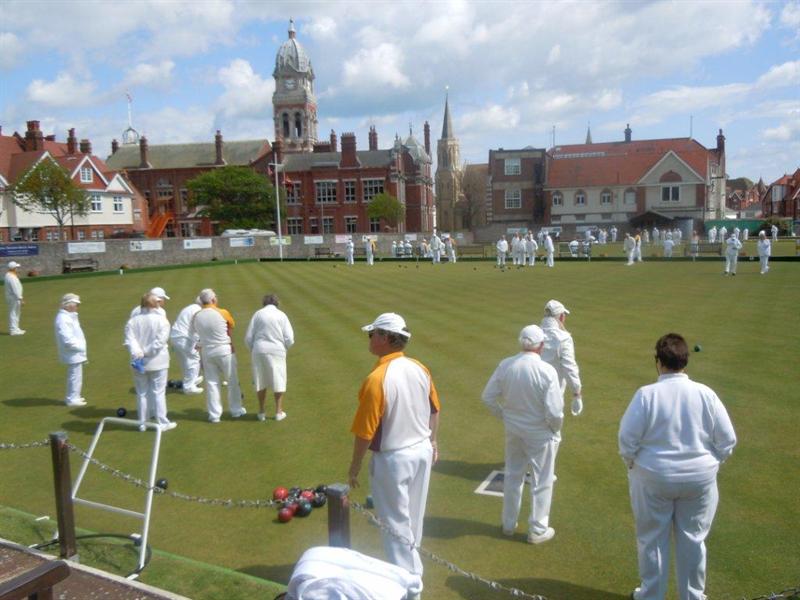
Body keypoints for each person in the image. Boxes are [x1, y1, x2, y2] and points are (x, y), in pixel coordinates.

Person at [619, 333, 736, 600]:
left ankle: (651, 595)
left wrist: (633, 465)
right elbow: (727, 439)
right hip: (699, 479)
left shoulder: (646, 395)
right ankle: (693, 596)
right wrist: (711, 463)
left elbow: (626, 440)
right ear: (685, 361)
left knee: (652, 538)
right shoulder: (706, 393)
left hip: (653, 477)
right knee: (693, 539)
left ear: (658, 361)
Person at [348, 312, 440, 584]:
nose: (369, 338)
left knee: (395, 525)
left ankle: (411, 584)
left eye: (372, 334)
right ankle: (411, 571)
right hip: (422, 451)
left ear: (386, 338)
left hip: (394, 458)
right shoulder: (419, 367)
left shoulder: (377, 379)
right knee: (413, 519)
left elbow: (365, 432)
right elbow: (435, 410)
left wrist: (354, 467)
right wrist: (433, 441)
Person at [482, 324, 562, 544]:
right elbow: (555, 412)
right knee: (542, 480)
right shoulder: (547, 371)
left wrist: (504, 416)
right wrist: (554, 429)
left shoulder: (506, 364)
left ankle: (508, 524)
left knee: (513, 475)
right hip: (539, 432)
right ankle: (537, 530)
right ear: (541, 346)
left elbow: (488, 397)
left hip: (514, 430)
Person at [190, 288, 245, 423]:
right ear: (213, 299)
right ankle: (236, 410)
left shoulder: (196, 316)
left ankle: (214, 415)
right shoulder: (222, 312)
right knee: (232, 380)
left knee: (211, 383)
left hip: (207, 351)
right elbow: (231, 326)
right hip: (224, 350)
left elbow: (196, 331)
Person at [124, 293, 176, 431]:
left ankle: (143, 423)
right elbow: (159, 343)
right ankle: (162, 423)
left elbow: (130, 341)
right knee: (158, 392)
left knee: (142, 393)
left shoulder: (132, 321)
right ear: (155, 304)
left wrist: (138, 352)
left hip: (138, 361)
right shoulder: (162, 321)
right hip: (157, 361)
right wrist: (145, 352)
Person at [244, 293, 294, 422]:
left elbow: (248, 338)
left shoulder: (258, 314)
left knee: (260, 379)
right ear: (277, 303)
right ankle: (278, 412)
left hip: (259, 350)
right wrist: (284, 348)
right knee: (279, 379)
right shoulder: (282, 315)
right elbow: (289, 338)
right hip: (277, 350)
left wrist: (254, 349)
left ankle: (261, 412)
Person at [540, 300, 583, 416]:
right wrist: (576, 394)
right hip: (552, 398)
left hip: (529, 394)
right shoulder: (564, 339)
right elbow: (570, 368)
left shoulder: (534, 333)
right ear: (561, 317)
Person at [54, 293, 87, 407]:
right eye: (76, 304)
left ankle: (75, 396)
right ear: (68, 305)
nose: (77, 307)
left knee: (77, 375)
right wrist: (80, 347)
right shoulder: (63, 319)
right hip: (72, 352)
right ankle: (72, 398)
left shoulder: (70, 316)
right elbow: (67, 339)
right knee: (74, 375)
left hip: (75, 352)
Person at [169, 298, 204, 394]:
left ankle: (191, 379)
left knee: (185, 360)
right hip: (184, 338)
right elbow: (196, 327)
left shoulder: (190, 307)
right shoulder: (199, 311)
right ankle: (189, 387)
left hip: (175, 336)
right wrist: (199, 341)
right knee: (194, 359)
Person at [4, 260, 24, 335]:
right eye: (16, 268)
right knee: (13, 313)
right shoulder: (11, 277)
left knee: (16, 313)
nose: (17, 269)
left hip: (13, 297)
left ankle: (16, 328)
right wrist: (20, 298)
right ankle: (13, 330)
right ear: (13, 268)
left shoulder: (9, 275)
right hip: (13, 298)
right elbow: (15, 288)